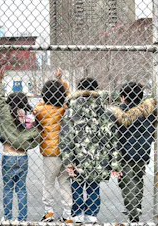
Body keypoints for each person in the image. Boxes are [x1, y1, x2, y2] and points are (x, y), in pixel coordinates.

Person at [59, 77, 122, 224]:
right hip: (98, 159)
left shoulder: (71, 111)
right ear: (96, 90)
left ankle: (77, 213)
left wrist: (68, 162)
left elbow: (66, 139)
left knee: (77, 187)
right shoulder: (104, 112)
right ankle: (92, 214)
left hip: (78, 158)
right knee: (94, 188)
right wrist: (114, 164)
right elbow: (112, 139)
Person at [0, 67, 39, 222]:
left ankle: (7, 217)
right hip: (22, 156)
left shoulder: (6, 112)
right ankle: (22, 218)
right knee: (21, 189)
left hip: (8, 154)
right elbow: (37, 136)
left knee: (7, 188)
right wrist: (26, 144)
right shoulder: (30, 117)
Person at [109, 82, 156, 223]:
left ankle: (133, 213)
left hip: (125, 154)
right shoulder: (149, 112)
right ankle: (137, 205)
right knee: (138, 179)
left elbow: (113, 134)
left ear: (123, 97)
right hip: (142, 153)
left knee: (126, 183)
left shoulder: (120, 113)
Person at [33, 68, 73, 223]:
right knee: (64, 182)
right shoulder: (64, 109)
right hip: (65, 151)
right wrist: (61, 81)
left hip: (50, 153)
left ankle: (49, 211)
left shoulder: (40, 109)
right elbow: (68, 97)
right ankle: (68, 213)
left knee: (48, 182)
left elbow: (40, 104)